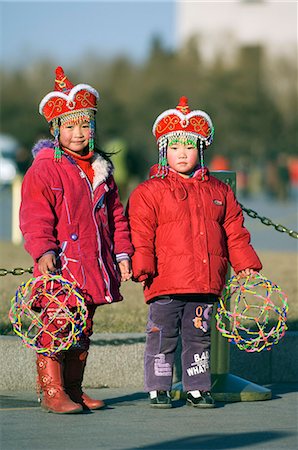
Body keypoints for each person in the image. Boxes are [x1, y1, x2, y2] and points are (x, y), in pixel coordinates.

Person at [127, 96, 262, 409]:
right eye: (174, 148)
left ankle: (197, 387)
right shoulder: (150, 191)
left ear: (201, 149)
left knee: (198, 337)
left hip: (203, 283)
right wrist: (142, 264)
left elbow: (234, 231)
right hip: (165, 283)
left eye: (188, 147)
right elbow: (141, 232)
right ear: (164, 150)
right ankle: (158, 387)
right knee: (162, 336)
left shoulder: (219, 191)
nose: (182, 154)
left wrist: (245, 263)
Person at [20, 66, 133, 414]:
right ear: (55, 129)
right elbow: (35, 216)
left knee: (82, 328)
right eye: (69, 126)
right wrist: (43, 251)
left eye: (85, 125)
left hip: (93, 265)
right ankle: (52, 390)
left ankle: (73, 388)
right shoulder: (44, 169)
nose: (79, 133)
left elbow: (116, 217)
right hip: (61, 266)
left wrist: (123, 254)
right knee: (58, 324)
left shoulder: (102, 171)